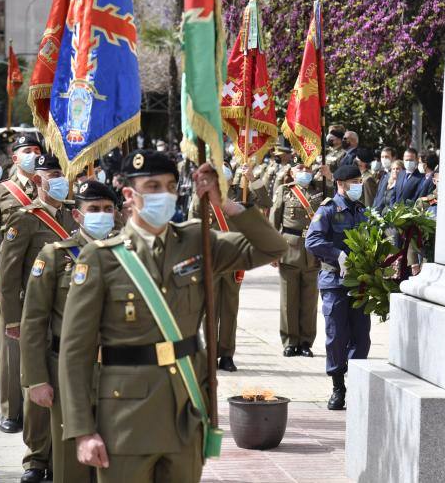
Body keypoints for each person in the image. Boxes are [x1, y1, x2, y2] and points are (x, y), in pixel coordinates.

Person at [58, 150, 287, 483]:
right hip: (125, 419)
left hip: (186, 408)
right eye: (152, 186)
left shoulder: (196, 241)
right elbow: (75, 351)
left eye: (169, 186)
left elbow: (272, 248)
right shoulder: (100, 259)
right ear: (129, 195)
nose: (162, 195)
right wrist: (82, 430)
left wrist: (227, 205)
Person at [20, 180, 118, 483]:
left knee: (115, 461)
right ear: (77, 215)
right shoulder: (53, 256)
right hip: (68, 371)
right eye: (94, 209)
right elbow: (34, 322)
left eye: (108, 209)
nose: (102, 214)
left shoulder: (126, 255)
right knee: (71, 465)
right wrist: (36, 379)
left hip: (118, 372)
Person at [0, 154, 78, 483]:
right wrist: (13, 319)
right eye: (52, 175)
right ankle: (35, 457)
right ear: (37, 181)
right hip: (34, 314)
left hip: (68, 316)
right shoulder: (25, 219)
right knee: (35, 383)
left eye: (61, 174)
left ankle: (60, 453)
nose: (59, 180)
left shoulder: (77, 216)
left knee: (64, 387)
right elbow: (8, 273)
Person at [0, 132, 42, 435]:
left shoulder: (53, 187)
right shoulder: (0, 192)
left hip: (47, 280)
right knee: (12, 348)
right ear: (15, 158)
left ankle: (38, 409)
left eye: (37, 149)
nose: (34, 155)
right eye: (28, 150)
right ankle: (12, 411)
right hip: (13, 280)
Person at [190, 163, 272, 371]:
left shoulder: (242, 192)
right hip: (213, 260)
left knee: (230, 310)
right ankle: (210, 354)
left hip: (235, 260)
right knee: (210, 310)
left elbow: (266, 201)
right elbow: (192, 229)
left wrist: (253, 179)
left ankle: (226, 354)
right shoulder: (202, 197)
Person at [304, 164, 370, 410]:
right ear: (341, 184)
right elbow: (312, 241)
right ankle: (337, 386)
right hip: (335, 282)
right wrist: (337, 255)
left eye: (359, 180)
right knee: (336, 336)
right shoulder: (329, 209)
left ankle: (357, 384)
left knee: (361, 337)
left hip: (360, 283)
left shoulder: (362, 210)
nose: (358, 185)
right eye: (354, 181)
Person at [269, 160, 329, 357]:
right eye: (300, 169)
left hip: (313, 251)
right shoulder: (284, 191)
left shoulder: (320, 189)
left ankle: (305, 342)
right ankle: (290, 341)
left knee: (309, 301)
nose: (304, 171)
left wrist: (329, 177)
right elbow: (274, 221)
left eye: (307, 168)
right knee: (289, 300)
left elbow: (334, 200)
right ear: (292, 173)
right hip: (289, 248)